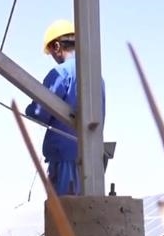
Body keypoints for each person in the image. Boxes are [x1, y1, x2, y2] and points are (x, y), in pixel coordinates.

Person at [25, 19, 106, 196]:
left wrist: (29, 110)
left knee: (63, 210)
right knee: (88, 209)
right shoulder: (95, 76)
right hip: (92, 161)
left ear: (57, 46)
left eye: (51, 53)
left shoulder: (60, 74)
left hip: (63, 160)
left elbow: (39, 112)